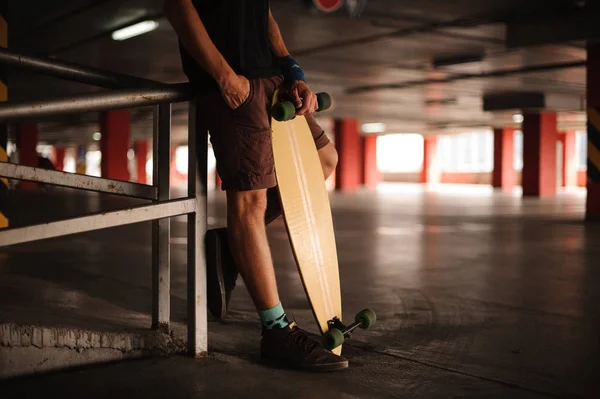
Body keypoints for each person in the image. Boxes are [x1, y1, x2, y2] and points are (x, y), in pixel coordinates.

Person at [163, 0, 346, 371]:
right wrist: (224, 76)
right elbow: (178, 6)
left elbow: (262, 14)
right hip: (235, 83)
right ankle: (275, 330)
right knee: (250, 203)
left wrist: (291, 68)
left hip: (272, 81)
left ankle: (231, 247)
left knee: (325, 160)